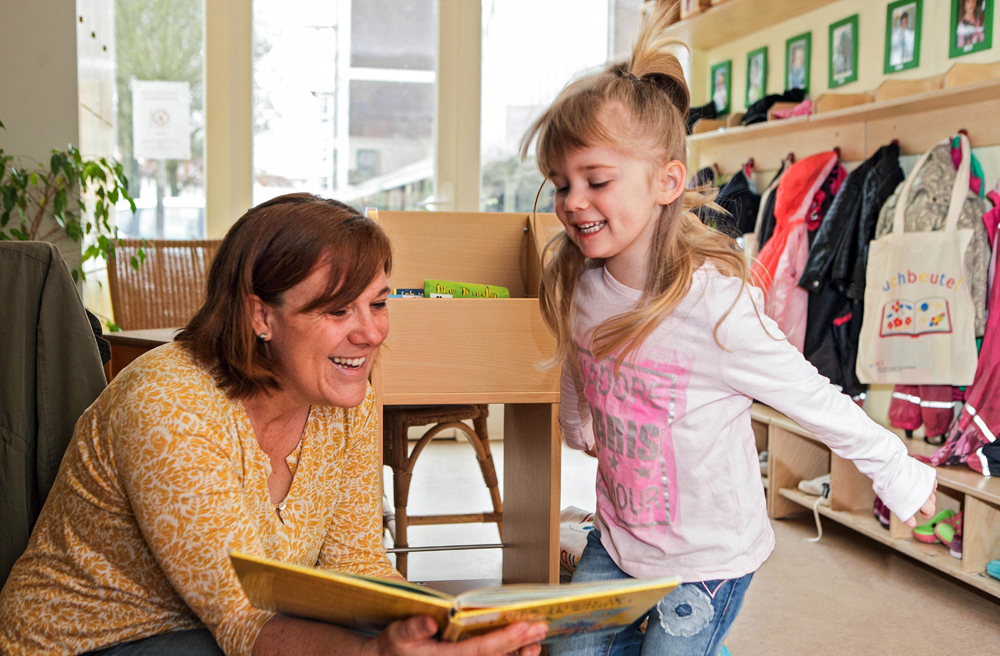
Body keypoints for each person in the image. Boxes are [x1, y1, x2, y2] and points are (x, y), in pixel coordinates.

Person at [520, 4, 937, 655]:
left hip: (708, 561)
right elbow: (580, 362)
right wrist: (574, 426)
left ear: (668, 181)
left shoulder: (713, 308)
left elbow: (808, 392)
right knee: (570, 650)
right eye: (560, 184)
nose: (572, 201)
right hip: (621, 537)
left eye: (595, 180)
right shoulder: (582, 283)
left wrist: (895, 467)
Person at [0, 194, 546, 656]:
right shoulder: (168, 402)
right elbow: (244, 619)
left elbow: (357, 564)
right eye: (337, 312)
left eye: (377, 304)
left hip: (207, 634)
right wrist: (378, 650)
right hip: (93, 640)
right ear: (260, 316)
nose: (371, 333)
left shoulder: (347, 399)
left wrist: (449, 630)